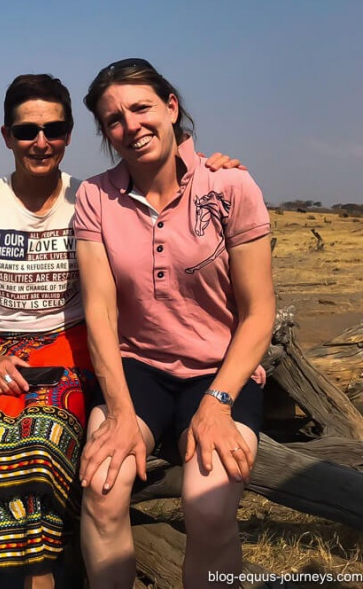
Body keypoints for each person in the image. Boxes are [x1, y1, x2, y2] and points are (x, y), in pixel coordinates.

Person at [0, 73, 241, 589]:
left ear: (69, 134)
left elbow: (162, 185)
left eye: (54, 128)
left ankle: (37, 578)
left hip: (71, 349)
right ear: (6, 136)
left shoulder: (90, 198)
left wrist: (210, 166)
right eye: (27, 131)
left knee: (45, 442)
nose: (40, 142)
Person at [73, 58, 275, 589]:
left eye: (141, 108)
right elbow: (100, 311)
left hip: (220, 369)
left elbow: (259, 313)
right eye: (113, 120)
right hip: (137, 367)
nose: (130, 126)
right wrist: (118, 410)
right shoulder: (96, 198)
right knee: (101, 488)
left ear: (170, 106)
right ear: (105, 133)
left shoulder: (230, 187)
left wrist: (218, 403)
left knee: (208, 509)